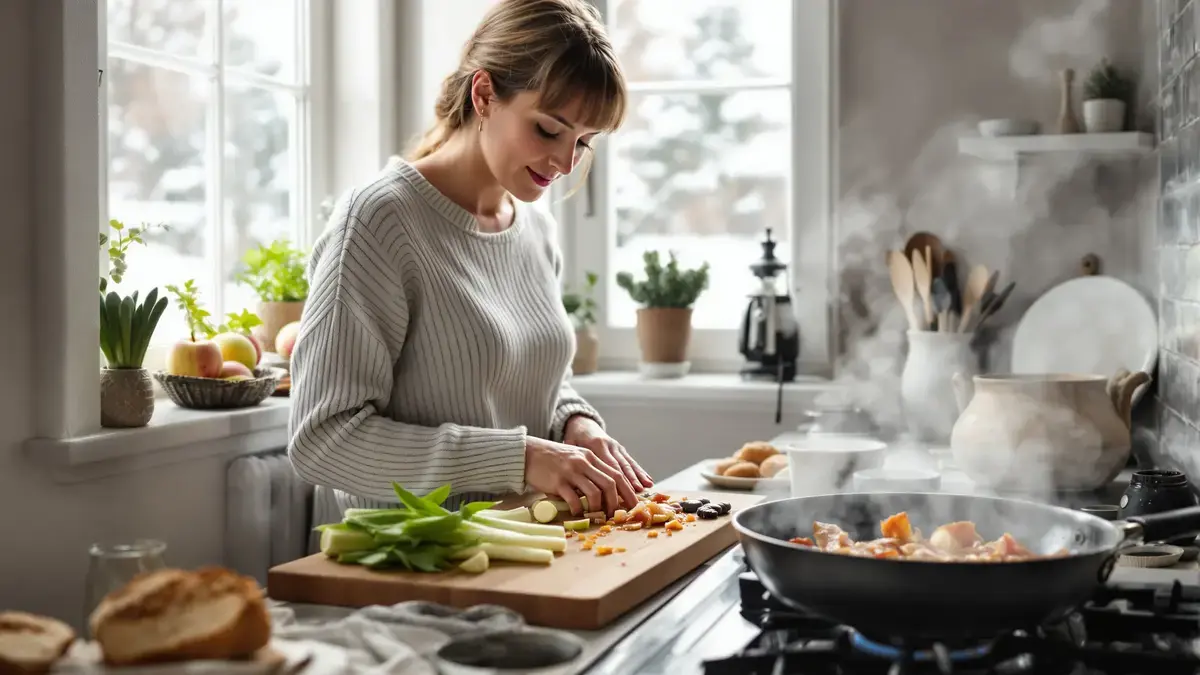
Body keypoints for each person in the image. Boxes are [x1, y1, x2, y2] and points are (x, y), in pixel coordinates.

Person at [287, 0, 653, 517]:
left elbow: (532, 383)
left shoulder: (536, 232)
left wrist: (577, 425)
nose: (566, 163)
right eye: (550, 130)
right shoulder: (378, 222)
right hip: (408, 569)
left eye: (584, 143)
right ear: (484, 94)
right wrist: (521, 457)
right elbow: (322, 442)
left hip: (521, 551)